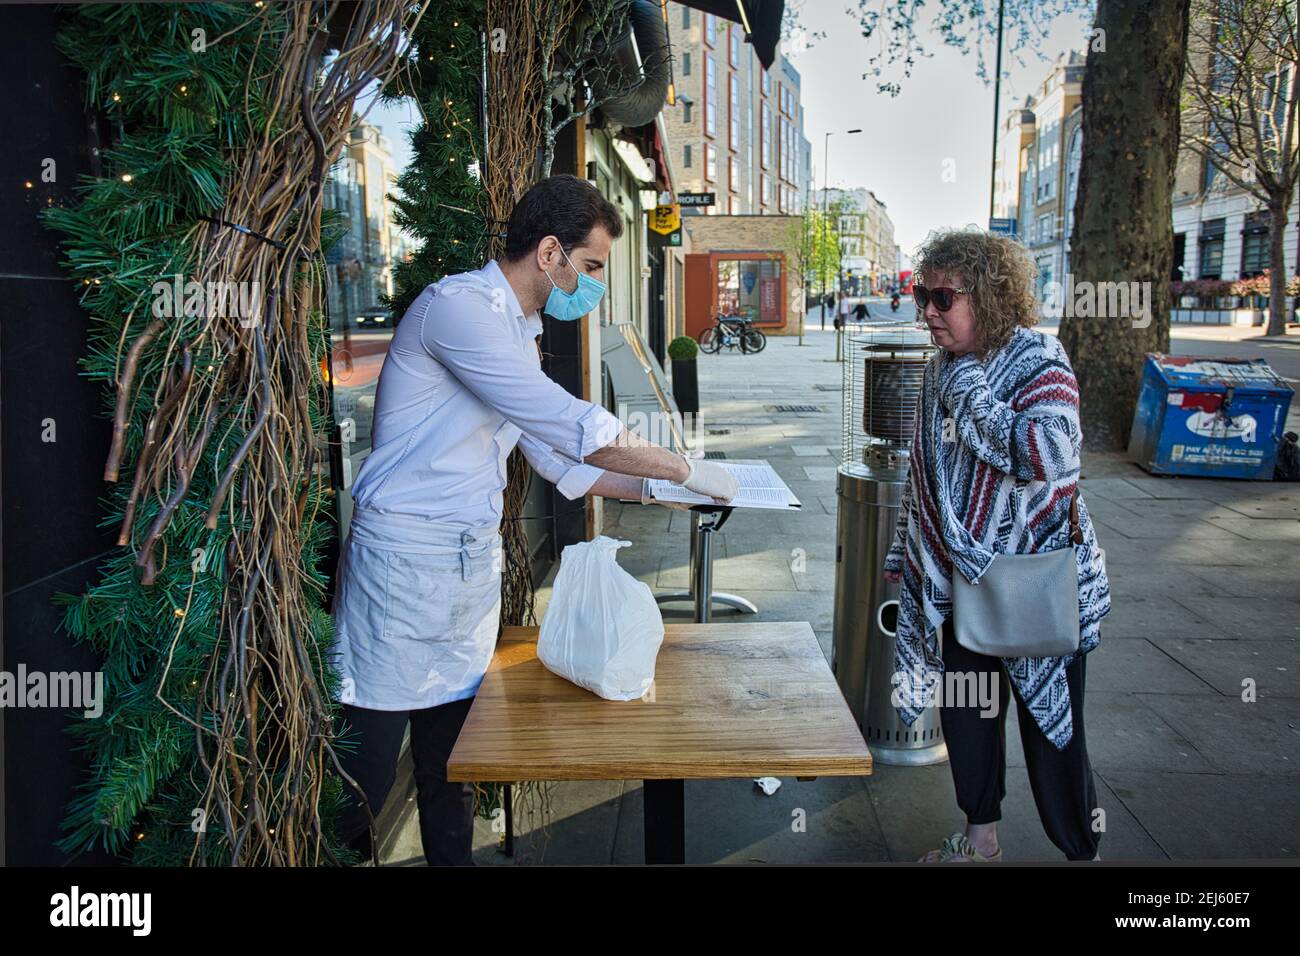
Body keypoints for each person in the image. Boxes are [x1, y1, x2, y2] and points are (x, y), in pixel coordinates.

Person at [329, 174, 739, 866]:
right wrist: (681, 466)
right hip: (401, 570)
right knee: (364, 775)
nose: (595, 285)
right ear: (550, 252)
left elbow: (560, 462)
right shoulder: (457, 309)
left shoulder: (519, 332)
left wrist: (663, 492)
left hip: (464, 573)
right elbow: (568, 423)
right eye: (592, 266)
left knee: (452, 767)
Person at [882, 228, 1111, 863]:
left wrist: (975, 396)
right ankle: (980, 842)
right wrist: (909, 553)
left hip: (1034, 578)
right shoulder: (941, 369)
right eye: (920, 295)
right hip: (958, 582)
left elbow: (1053, 453)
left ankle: (1079, 849)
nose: (927, 310)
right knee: (969, 719)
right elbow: (924, 471)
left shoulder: (1038, 356)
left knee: (1052, 728)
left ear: (986, 295)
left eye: (942, 297)